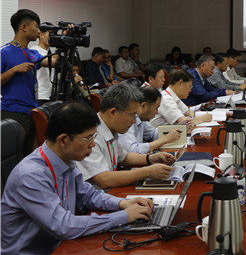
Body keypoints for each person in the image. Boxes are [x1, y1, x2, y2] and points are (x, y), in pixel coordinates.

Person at [0, 102, 154, 254]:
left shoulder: (65, 159)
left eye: (94, 136)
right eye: (88, 138)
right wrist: (123, 216)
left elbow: (88, 195)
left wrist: (122, 203)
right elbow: (63, 226)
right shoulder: (31, 175)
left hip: (61, 245)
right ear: (63, 140)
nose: (93, 144)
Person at [74, 83, 175, 189]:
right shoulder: (90, 135)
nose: (134, 121)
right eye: (132, 115)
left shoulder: (110, 129)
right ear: (113, 112)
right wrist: (147, 172)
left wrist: (150, 158)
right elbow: (104, 180)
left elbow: (124, 157)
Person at [1, 9, 47, 154]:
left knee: (27, 154)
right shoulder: (4, 52)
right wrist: (14, 70)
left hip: (32, 111)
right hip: (13, 111)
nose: (39, 31)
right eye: (36, 26)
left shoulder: (32, 53)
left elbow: (54, 61)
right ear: (24, 27)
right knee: (11, 157)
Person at [119, 86, 181, 153]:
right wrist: (165, 139)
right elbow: (133, 150)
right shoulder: (126, 120)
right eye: (156, 108)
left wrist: (177, 129)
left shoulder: (141, 118)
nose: (157, 112)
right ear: (143, 106)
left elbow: (152, 134)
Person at [30, 22, 54, 105]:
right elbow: (53, 60)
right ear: (41, 35)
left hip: (50, 95)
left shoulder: (50, 52)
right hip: (40, 96)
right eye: (50, 34)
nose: (52, 37)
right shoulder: (34, 50)